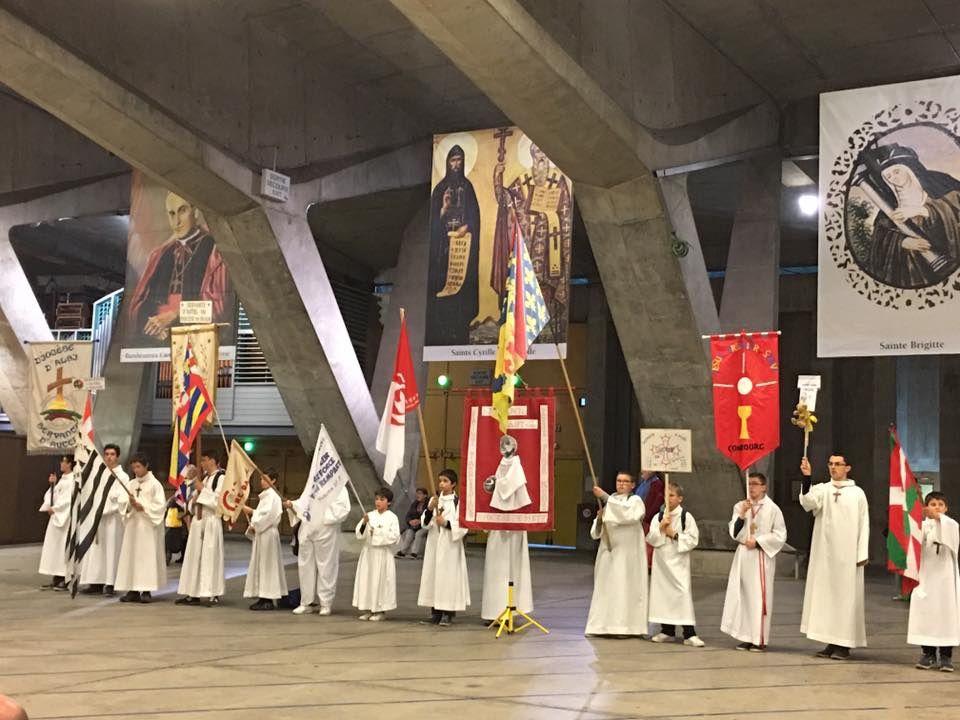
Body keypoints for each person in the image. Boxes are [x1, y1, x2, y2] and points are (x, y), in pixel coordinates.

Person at [491, 140, 573, 338]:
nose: (541, 160)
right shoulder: (524, 180)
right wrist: (497, 177)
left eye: (544, 157)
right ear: (533, 158)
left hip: (550, 246)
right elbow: (505, 199)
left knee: (547, 287)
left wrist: (548, 219)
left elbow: (566, 212)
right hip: (527, 247)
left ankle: (547, 326)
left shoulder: (558, 180)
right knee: (525, 287)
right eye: (537, 156)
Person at [126, 190, 229, 344]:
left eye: (182, 211)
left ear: (195, 212)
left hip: (200, 341)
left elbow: (218, 308)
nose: (176, 222)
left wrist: (174, 315)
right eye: (172, 214)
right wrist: (154, 326)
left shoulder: (215, 250)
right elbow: (135, 306)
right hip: (157, 339)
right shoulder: (160, 254)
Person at [856, 143, 960, 288]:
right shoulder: (889, 208)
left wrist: (924, 211)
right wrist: (902, 243)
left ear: (909, 169)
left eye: (897, 172)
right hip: (912, 276)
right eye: (888, 176)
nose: (893, 178)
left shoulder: (944, 187)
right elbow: (880, 239)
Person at [799, 454, 869, 660]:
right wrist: (807, 477)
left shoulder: (857, 494)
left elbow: (864, 524)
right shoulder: (823, 489)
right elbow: (808, 502)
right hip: (826, 555)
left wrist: (861, 553)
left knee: (845, 599)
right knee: (827, 598)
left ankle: (844, 645)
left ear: (848, 467)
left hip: (848, 557)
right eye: (830, 464)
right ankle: (831, 641)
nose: (833, 468)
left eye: (838, 464)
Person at [720, 473, 787, 651]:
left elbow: (780, 535)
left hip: (760, 556)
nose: (752, 487)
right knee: (743, 596)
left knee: (759, 598)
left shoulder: (772, 509)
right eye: (749, 484)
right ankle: (746, 636)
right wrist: (742, 515)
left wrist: (758, 541)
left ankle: (759, 639)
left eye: (756, 484)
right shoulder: (740, 506)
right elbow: (733, 533)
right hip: (743, 556)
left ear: (764, 487)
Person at [426, 144, 481, 345]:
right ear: (447, 163)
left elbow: (475, 217)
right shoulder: (440, 189)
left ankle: (460, 330)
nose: (456, 164)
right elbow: (433, 223)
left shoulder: (468, 187)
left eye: (459, 160)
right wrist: (444, 209)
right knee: (442, 291)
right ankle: (442, 331)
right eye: (452, 160)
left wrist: (466, 228)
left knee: (461, 293)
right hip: (444, 252)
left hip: (462, 252)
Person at [585, 471, 648, 638]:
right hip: (608, 552)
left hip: (627, 554)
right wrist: (599, 520)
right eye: (619, 480)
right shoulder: (609, 502)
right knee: (606, 589)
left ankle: (625, 627)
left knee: (624, 588)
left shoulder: (634, 501)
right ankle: (600, 626)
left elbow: (629, 515)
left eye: (625, 481)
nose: (621, 484)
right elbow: (595, 532)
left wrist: (605, 497)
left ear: (633, 485)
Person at [481, 435, 535, 621]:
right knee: (495, 570)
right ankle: (493, 611)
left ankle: (511, 610)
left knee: (513, 568)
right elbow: (498, 485)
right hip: (498, 528)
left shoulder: (516, 467)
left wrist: (499, 485)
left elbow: (511, 485)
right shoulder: (501, 466)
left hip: (515, 528)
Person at [647, 482, 704, 647]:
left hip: (678, 562)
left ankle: (689, 633)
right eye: (666, 495)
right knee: (663, 595)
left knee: (682, 594)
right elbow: (651, 538)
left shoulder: (686, 516)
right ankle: (667, 630)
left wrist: (673, 534)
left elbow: (693, 539)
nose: (668, 499)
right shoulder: (658, 516)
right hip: (662, 562)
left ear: (680, 498)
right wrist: (660, 528)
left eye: (671, 495)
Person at [908, 491, 960, 672]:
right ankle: (928, 654)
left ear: (946, 508)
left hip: (945, 581)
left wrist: (937, 518)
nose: (936, 507)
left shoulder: (951, 525)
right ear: (926, 507)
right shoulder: (923, 526)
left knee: (946, 615)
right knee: (926, 614)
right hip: (927, 578)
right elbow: (911, 540)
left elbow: (950, 536)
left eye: (940, 504)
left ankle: (946, 656)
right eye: (932, 504)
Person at [284, 482, 351, 616]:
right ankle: (305, 602)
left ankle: (325, 603)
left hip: (325, 530)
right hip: (308, 528)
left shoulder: (338, 486)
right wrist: (293, 505)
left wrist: (322, 513)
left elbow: (343, 509)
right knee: (305, 567)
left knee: (326, 567)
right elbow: (303, 503)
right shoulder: (313, 484)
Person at [418, 470, 470, 627]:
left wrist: (446, 523)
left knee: (447, 578)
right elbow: (424, 523)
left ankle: (448, 613)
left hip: (450, 545)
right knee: (434, 576)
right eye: (440, 480)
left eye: (445, 481)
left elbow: (463, 523)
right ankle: (435, 612)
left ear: (453, 484)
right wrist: (429, 509)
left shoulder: (458, 501)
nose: (441, 483)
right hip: (434, 542)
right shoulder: (435, 500)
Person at [115, 454, 167, 603]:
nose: (136, 470)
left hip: (147, 527)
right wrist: (130, 505)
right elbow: (122, 503)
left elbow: (159, 506)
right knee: (131, 556)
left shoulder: (155, 484)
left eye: (138, 467)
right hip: (133, 526)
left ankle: (146, 590)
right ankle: (132, 590)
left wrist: (143, 507)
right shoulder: (131, 484)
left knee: (146, 557)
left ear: (146, 466)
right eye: (133, 467)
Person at [79, 444, 129, 596]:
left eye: (112, 454)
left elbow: (121, 497)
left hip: (112, 519)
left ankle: (110, 583)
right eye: (106, 454)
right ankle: (95, 582)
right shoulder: (99, 474)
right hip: (98, 518)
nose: (109, 457)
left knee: (111, 550)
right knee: (96, 550)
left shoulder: (122, 476)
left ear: (117, 457)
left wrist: (105, 507)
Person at [175, 464, 225, 607]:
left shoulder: (220, 478)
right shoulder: (204, 478)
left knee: (210, 557)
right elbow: (194, 498)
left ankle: (212, 593)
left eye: (205, 460)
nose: (202, 464)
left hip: (211, 520)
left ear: (213, 461)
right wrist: (193, 501)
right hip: (198, 520)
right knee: (193, 557)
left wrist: (202, 489)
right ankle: (192, 593)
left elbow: (219, 500)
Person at [242, 469, 288, 611]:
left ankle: (268, 597)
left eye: (265, 479)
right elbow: (262, 514)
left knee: (268, 565)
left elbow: (269, 516)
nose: (261, 481)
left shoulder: (273, 496)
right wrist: (253, 518)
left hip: (268, 534)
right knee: (261, 564)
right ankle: (263, 596)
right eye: (261, 479)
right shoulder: (266, 496)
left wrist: (254, 520)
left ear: (273, 480)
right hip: (263, 534)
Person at [353, 487, 400, 621]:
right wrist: (364, 524)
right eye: (377, 499)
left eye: (382, 499)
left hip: (382, 554)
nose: (378, 502)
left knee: (381, 581)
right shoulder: (370, 515)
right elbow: (359, 533)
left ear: (388, 502)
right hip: (369, 554)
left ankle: (379, 610)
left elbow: (395, 537)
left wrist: (378, 533)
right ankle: (368, 608)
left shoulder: (392, 518)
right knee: (367, 580)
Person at [38, 456, 75, 591]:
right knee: (54, 547)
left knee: (62, 548)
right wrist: (52, 484)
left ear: (70, 464)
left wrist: (55, 508)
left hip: (64, 519)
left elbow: (68, 499)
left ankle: (65, 578)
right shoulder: (61, 480)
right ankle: (56, 577)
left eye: (64, 461)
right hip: (56, 517)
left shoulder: (73, 479)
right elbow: (52, 496)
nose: (61, 464)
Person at [635, 470, 665, 567]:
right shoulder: (644, 483)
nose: (643, 471)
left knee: (647, 544)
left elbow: (655, 503)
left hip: (648, 520)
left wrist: (645, 518)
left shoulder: (656, 484)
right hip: (640, 518)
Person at [396, 487, 429, 559]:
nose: (417, 495)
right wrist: (410, 521)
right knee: (409, 533)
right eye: (417, 493)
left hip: (426, 526)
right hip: (415, 526)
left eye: (420, 494)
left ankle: (414, 553)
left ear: (425, 495)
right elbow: (408, 515)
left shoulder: (429, 504)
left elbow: (430, 516)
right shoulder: (415, 503)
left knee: (419, 533)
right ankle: (402, 552)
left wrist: (420, 522)